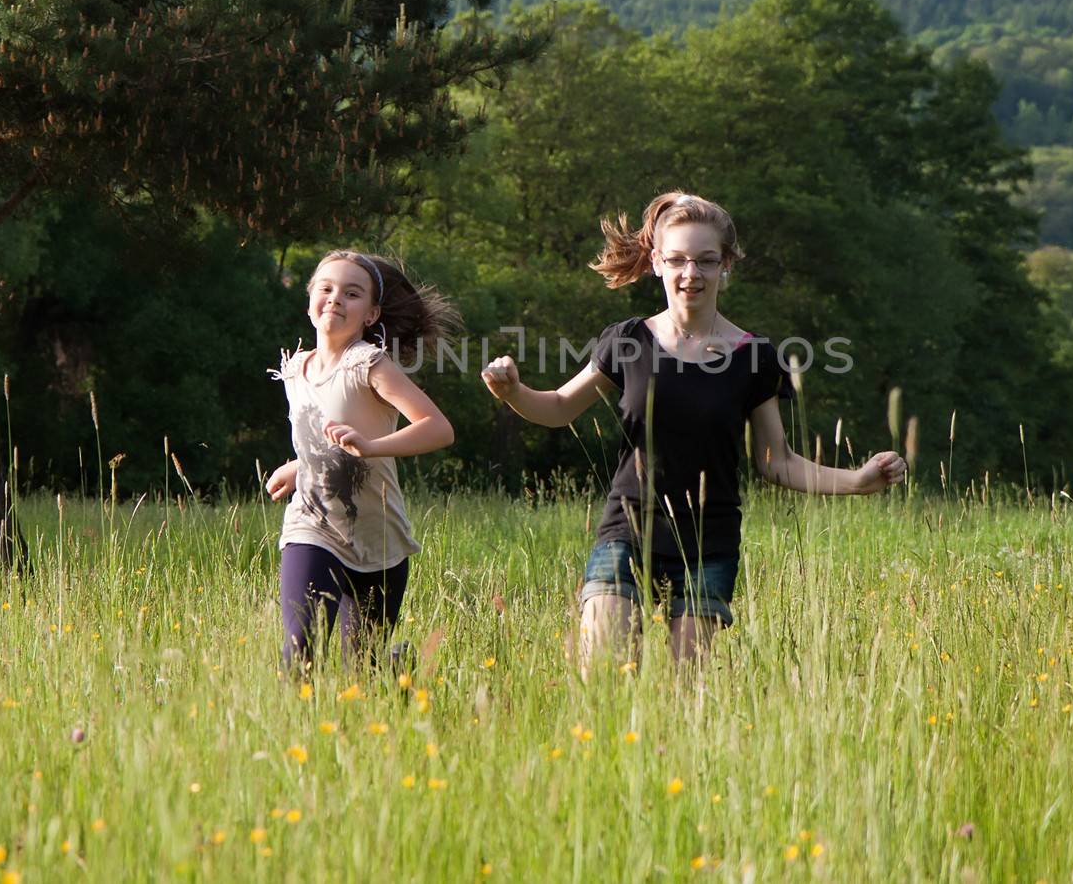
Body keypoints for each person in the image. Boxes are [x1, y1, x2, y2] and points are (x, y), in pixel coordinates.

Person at [480, 190, 906, 673]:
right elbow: (557, 408)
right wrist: (513, 391)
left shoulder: (755, 357)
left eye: (706, 261)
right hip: (627, 531)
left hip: (709, 544)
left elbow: (776, 461)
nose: (691, 274)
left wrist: (856, 479)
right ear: (656, 262)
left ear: (726, 264)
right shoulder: (627, 340)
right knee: (602, 682)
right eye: (678, 260)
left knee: (690, 700)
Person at [264, 250, 457, 675]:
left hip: (378, 537)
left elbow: (438, 428)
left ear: (371, 315)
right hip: (312, 527)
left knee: (363, 673)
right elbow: (326, 437)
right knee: (299, 653)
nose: (336, 299)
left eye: (351, 294)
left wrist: (370, 446)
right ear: (309, 301)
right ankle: (294, 735)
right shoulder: (295, 371)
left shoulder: (369, 364)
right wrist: (300, 467)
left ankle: (396, 674)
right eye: (327, 289)